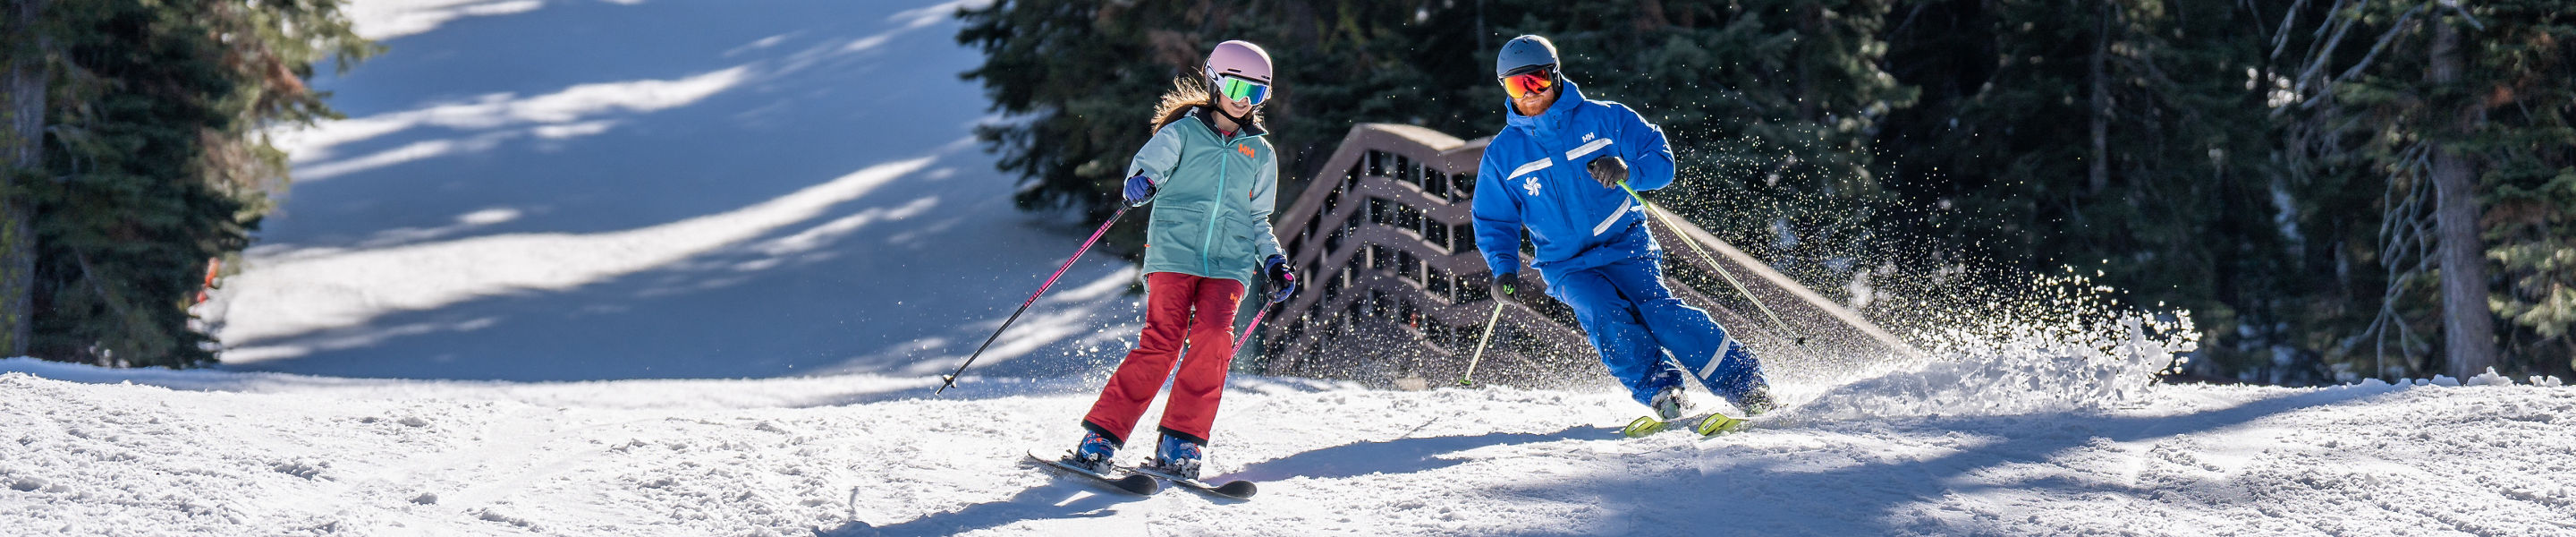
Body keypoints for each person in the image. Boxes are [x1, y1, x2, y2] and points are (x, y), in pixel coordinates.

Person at [1469, 35, 1775, 422]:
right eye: (1517, 85)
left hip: (1625, 243)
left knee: (1661, 315)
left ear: (1555, 75)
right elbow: (1494, 219)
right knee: (1604, 314)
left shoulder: (1605, 118)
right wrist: (1504, 268)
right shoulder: (1503, 153)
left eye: (1537, 81)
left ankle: (1747, 387)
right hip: (1565, 264)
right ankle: (1661, 390)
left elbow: (1661, 159)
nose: (1529, 94)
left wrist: (1630, 171)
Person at [1063, 40, 1296, 480]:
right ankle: (1101, 438)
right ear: (1214, 81)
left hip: (1228, 264)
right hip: (1174, 252)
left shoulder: (1262, 154)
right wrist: (1141, 184)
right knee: (1164, 341)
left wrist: (1273, 262)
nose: (1242, 101)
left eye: (1255, 94)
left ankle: (1181, 445)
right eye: (1234, 86)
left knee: (1212, 340)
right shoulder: (1182, 134)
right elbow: (1146, 169)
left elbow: (1258, 218)